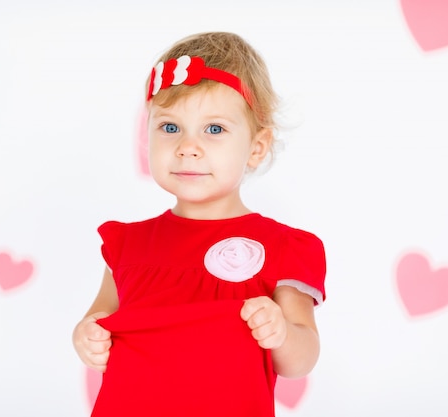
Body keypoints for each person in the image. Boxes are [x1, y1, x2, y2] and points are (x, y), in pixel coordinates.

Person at [72, 31, 326, 417]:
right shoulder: (126, 243)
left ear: (256, 147)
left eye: (214, 129)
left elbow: (300, 360)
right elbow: (100, 319)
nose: (188, 146)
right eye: (170, 128)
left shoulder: (282, 247)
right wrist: (87, 337)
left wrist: (281, 333)